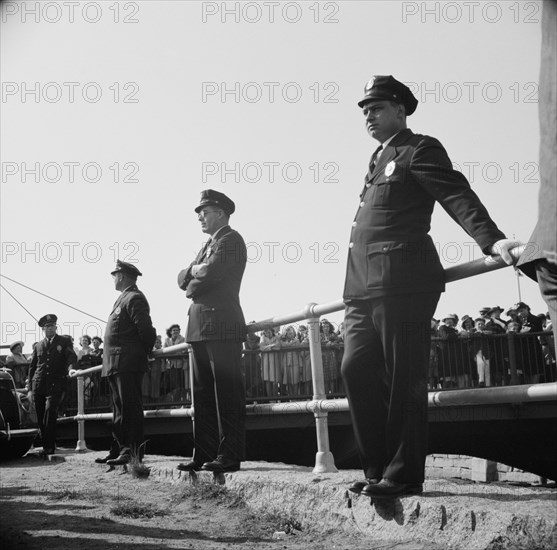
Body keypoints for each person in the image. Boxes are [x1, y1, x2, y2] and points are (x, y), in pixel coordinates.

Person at [341, 75, 519, 499]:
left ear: (400, 110)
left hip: (403, 280)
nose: (369, 115)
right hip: (361, 287)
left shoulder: (419, 147)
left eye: (378, 107)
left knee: (405, 378)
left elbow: (455, 194)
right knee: (354, 369)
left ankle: (401, 476)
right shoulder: (377, 158)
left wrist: (491, 239)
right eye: (365, 109)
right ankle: (377, 468)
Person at [176, 190, 247, 474]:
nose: (200, 218)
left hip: (222, 325)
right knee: (203, 396)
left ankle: (229, 455)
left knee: (227, 394)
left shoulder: (231, 240)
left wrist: (194, 275)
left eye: (204, 212)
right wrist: (195, 271)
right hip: (199, 328)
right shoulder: (209, 245)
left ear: (220, 212)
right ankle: (203, 452)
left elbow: (210, 274)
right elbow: (183, 280)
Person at [95, 260, 156, 466]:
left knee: (129, 409)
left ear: (121, 276)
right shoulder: (123, 298)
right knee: (119, 410)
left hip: (127, 362)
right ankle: (119, 448)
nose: (113, 279)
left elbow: (146, 330)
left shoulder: (134, 298)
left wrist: (145, 352)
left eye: (114, 275)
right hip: (116, 364)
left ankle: (132, 451)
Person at [27, 314, 77, 456]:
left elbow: (70, 356)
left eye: (52, 326)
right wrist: (30, 389)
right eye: (47, 327)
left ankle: (49, 447)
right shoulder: (38, 345)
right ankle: (46, 445)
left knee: (50, 413)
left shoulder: (64, 341)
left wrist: (72, 368)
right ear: (43, 329)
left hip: (55, 384)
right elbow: (32, 367)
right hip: (39, 385)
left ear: (56, 327)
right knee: (41, 415)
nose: (49, 329)